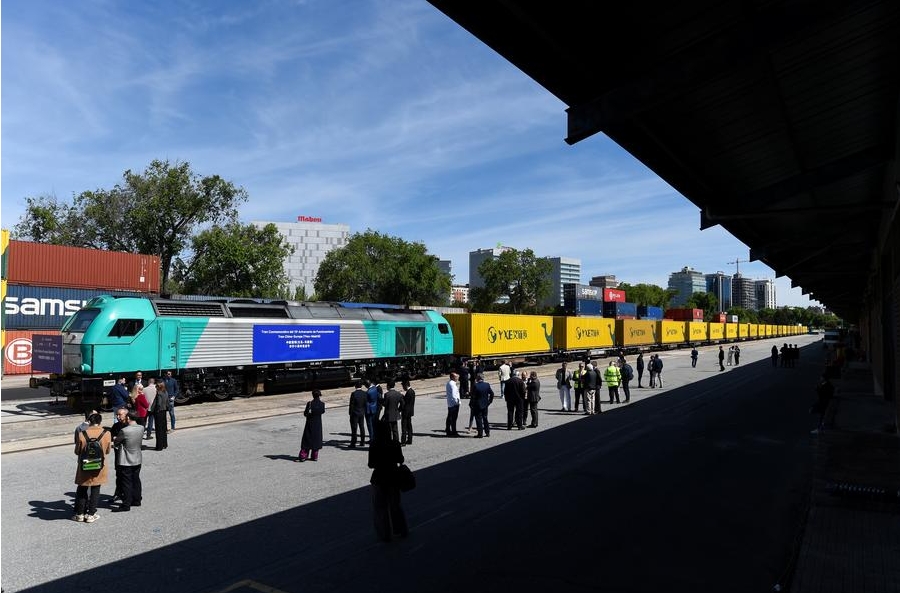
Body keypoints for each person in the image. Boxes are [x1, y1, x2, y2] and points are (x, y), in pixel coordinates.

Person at [368, 418, 408, 542]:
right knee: (395, 505)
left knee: (380, 508)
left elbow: (371, 464)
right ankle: (400, 529)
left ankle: (385, 534)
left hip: (379, 478)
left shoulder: (374, 444)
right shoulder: (394, 443)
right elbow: (401, 459)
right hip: (393, 476)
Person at [72, 412, 111, 523]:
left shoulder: (82, 434)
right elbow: (107, 451)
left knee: (82, 488)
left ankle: (80, 514)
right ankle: (91, 514)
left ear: (89, 421)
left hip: (84, 465)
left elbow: (77, 451)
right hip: (98, 465)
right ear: (100, 422)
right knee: (95, 488)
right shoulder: (106, 433)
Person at [112, 408, 143, 512]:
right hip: (137, 458)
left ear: (128, 417)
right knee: (136, 480)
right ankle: (137, 500)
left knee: (126, 482)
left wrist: (115, 440)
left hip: (126, 460)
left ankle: (126, 504)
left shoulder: (124, 431)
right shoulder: (141, 428)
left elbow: (116, 442)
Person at [298, 390, 325, 461]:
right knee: (316, 440)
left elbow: (305, 413)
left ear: (313, 395)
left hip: (310, 423)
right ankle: (314, 456)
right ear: (319, 395)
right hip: (318, 424)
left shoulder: (309, 403)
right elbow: (322, 411)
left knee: (307, 439)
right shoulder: (322, 404)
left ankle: (303, 456)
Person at [470, 373, 494, 437]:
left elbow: (472, 396)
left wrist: (471, 404)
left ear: (477, 378)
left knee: (478, 419)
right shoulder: (487, 385)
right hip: (485, 405)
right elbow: (492, 394)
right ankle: (487, 432)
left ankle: (480, 433)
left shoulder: (475, 385)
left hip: (477, 405)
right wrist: (489, 402)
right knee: (485, 418)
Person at [149, 382, 169, 451]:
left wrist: (156, 410)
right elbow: (167, 402)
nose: (155, 387)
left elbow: (158, 403)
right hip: (164, 412)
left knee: (159, 430)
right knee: (164, 428)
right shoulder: (165, 392)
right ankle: (164, 444)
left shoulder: (159, 393)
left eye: (156, 386)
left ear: (159, 387)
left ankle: (159, 446)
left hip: (159, 412)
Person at [348, 381, 368, 448]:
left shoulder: (354, 394)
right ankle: (362, 442)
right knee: (362, 427)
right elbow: (365, 403)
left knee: (354, 428)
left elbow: (351, 405)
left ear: (355, 386)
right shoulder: (364, 393)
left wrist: (350, 413)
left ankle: (353, 443)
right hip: (362, 412)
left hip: (355, 413)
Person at [445, 372, 461, 437]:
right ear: (452, 377)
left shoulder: (449, 383)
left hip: (450, 403)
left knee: (449, 417)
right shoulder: (452, 385)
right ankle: (454, 431)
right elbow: (454, 395)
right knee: (453, 418)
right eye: (456, 377)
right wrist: (457, 402)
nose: (457, 378)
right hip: (454, 404)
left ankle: (448, 430)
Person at [400, 379, 416, 445]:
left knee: (404, 427)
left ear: (406, 385)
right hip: (410, 412)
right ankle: (410, 439)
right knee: (409, 426)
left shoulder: (409, 392)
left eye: (403, 386)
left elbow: (405, 403)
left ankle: (403, 441)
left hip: (405, 412)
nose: (403, 388)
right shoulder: (412, 391)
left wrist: (402, 397)